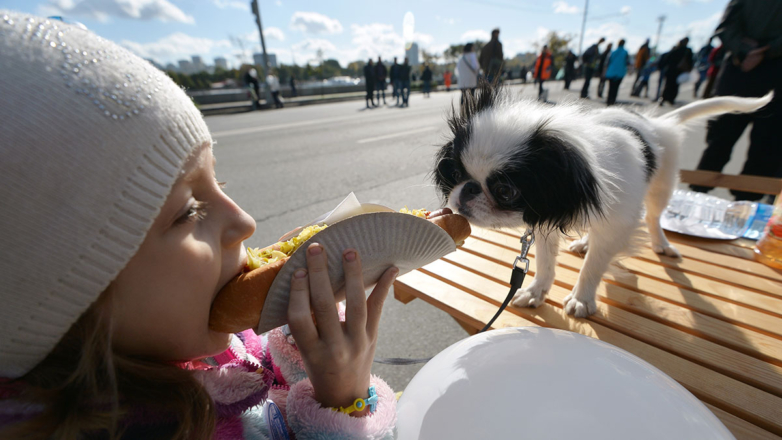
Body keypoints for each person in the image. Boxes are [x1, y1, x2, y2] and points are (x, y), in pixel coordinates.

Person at [0, 11, 399, 439]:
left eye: (218, 182)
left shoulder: (211, 342)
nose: (245, 222)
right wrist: (344, 402)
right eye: (189, 210)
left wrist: (300, 343)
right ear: (72, 300)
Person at [690, 0, 782, 201]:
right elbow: (727, 25)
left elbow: (726, 25)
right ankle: (743, 204)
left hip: (742, 71)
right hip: (757, 72)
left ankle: (699, 196)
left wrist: (747, 50)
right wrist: (763, 50)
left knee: (724, 140)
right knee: (762, 146)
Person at [660, 37, 693, 106]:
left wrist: (661, 67)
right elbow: (690, 61)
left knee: (667, 85)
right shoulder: (687, 50)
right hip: (679, 71)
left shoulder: (675, 49)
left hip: (670, 70)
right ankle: (670, 99)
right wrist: (689, 69)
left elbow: (666, 59)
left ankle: (663, 98)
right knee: (675, 86)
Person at [605, 39, 630, 106]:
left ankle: (608, 101)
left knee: (610, 87)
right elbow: (627, 62)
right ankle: (613, 101)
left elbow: (608, 62)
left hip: (611, 72)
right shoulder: (625, 52)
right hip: (620, 73)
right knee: (616, 88)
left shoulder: (613, 52)